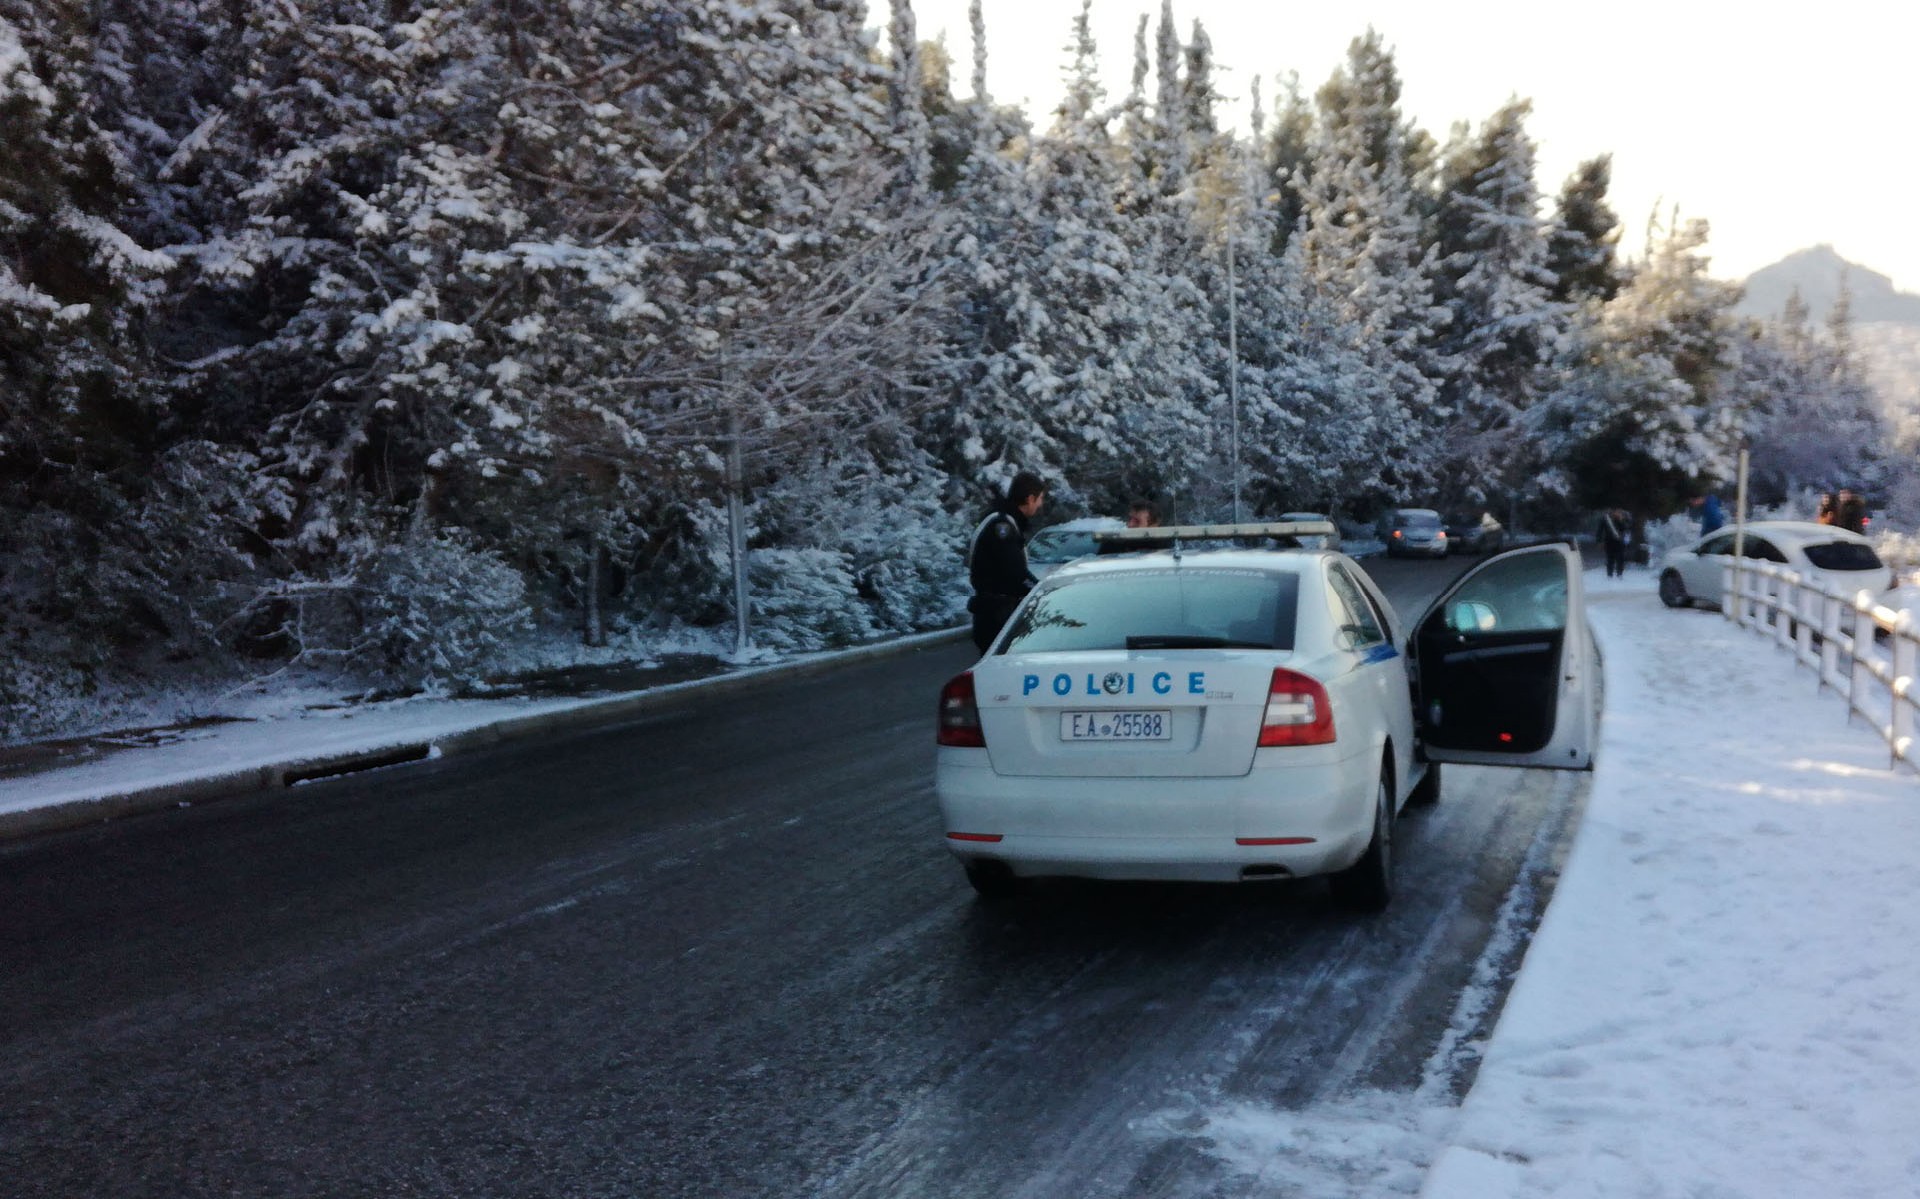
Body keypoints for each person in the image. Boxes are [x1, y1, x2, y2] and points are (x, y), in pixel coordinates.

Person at [967, 472, 1046, 653]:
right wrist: (1040, 591)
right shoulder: (1002, 526)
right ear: (1030, 498)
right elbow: (1014, 574)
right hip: (996, 613)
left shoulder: (1005, 521)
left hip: (995, 611)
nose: (1040, 505)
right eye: (1040, 499)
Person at [1597, 507, 1630, 578]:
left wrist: (1620, 520)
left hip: (1620, 541)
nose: (1616, 512)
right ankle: (1609, 574)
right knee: (1610, 558)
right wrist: (1599, 541)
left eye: (1618, 511)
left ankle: (1620, 573)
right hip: (1609, 541)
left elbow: (1626, 528)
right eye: (1614, 511)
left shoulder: (1623, 518)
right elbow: (1600, 530)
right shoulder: (1605, 519)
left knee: (1620, 558)